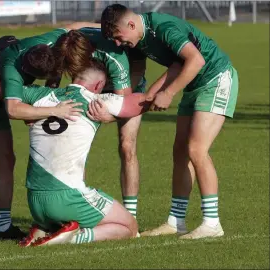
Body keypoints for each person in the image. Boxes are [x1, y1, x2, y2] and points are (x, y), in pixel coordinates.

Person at [98, 4, 239, 239]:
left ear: (131, 25)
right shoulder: (137, 39)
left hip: (217, 78)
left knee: (196, 149)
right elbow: (175, 65)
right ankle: (176, 221)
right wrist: (133, 102)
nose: (117, 44)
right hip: (193, 83)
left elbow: (196, 61)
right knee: (180, 151)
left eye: (118, 37)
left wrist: (168, 93)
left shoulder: (164, 28)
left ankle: (212, 223)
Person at [0, 36, 81, 245]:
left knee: (6, 160)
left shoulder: (47, 41)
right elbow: (7, 104)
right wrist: (54, 110)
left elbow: (72, 27)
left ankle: (3, 226)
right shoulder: (13, 70)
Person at [18, 60, 153, 247]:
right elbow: (144, 101)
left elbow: (1, 88)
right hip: (66, 198)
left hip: (34, 200)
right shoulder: (97, 101)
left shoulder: (40, 95)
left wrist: (29, 113)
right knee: (129, 227)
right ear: (99, 85)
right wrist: (111, 117)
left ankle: (44, 227)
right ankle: (73, 237)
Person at [53, 28, 147, 220]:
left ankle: (131, 216)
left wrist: (108, 117)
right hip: (89, 86)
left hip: (126, 87)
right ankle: (74, 208)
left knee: (127, 146)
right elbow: (52, 83)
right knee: (75, 145)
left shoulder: (113, 57)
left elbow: (125, 100)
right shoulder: (66, 47)